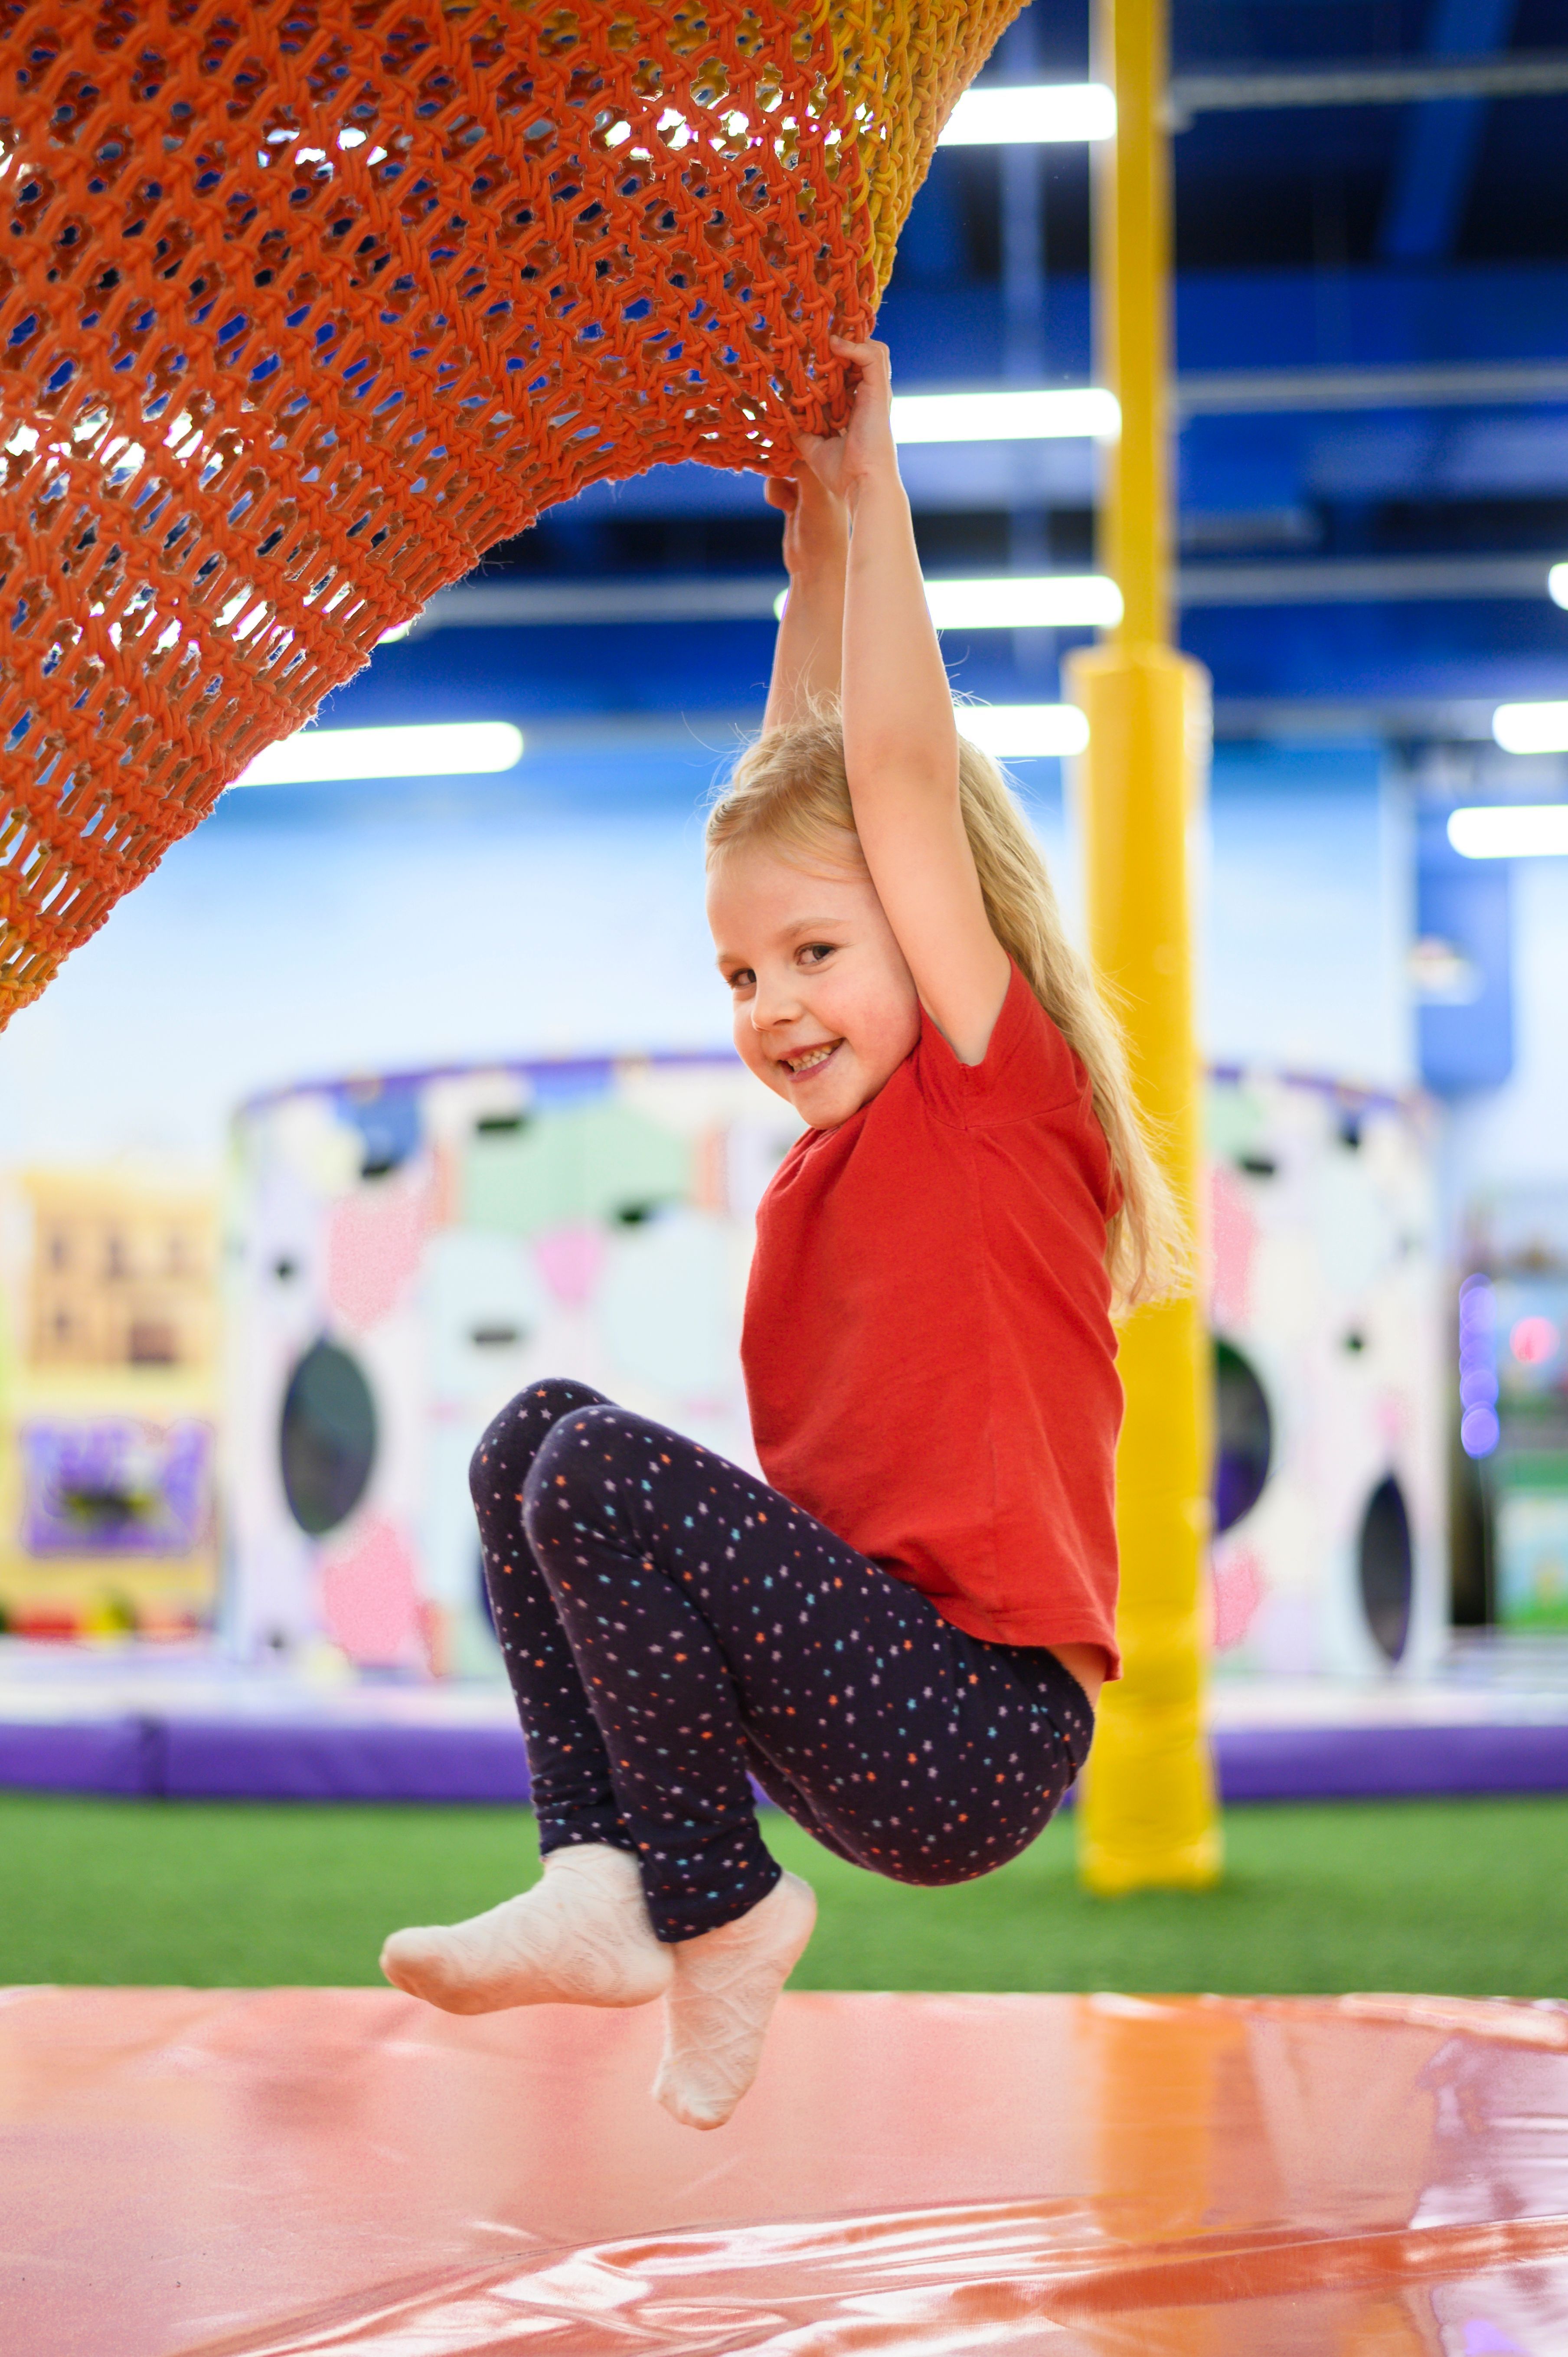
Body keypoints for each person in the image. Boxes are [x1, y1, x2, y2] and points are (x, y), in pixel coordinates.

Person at [380, 337, 1184, 2131]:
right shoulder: (848, 1143)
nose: (771, 1005)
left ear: (938, 918)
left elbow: (887, 770)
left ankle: (718, 1904)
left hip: (974, 1726)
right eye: (740, 973)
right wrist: (814, 545)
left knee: (591, 1470)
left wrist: (880, 484)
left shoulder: (993, 1093)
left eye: (815, 955)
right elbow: (805, 769)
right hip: (861, 1701)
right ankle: (610, 1872)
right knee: (529, 1438)